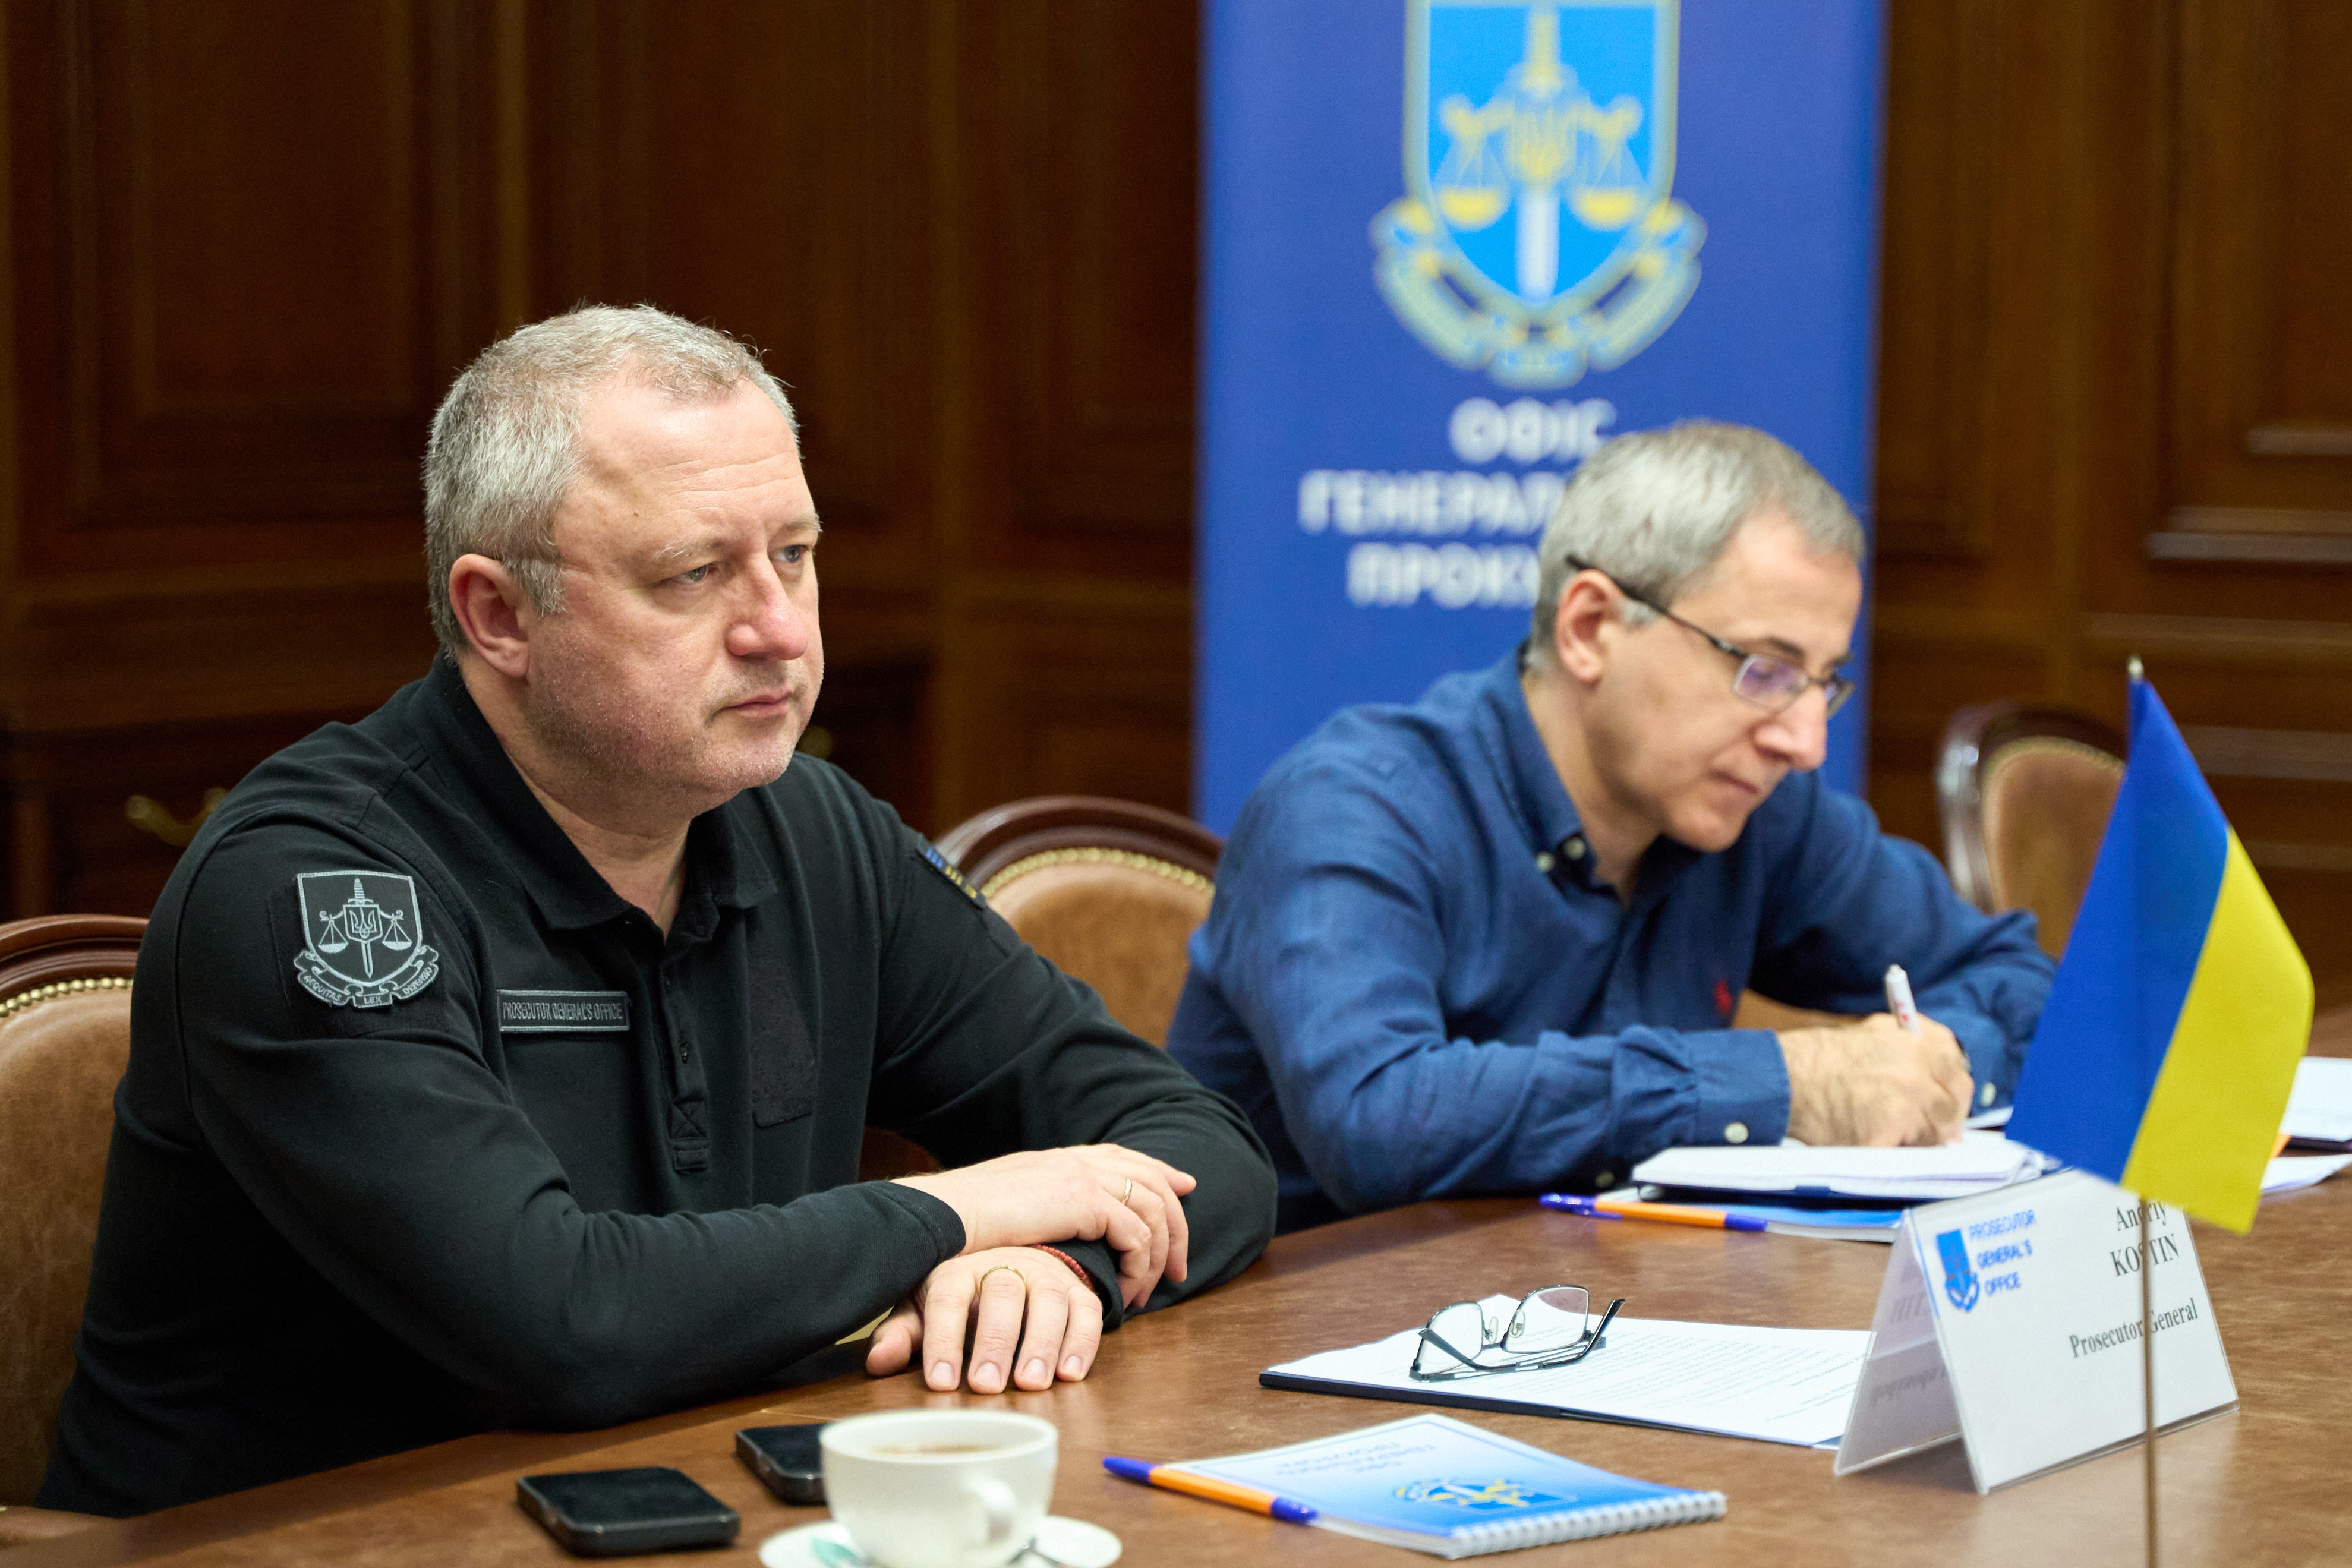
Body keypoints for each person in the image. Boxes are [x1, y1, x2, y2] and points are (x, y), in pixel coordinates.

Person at [39, 306, 1276, 1515]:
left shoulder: (811, 828)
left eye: (794, 554)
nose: (778, 629)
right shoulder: (318, 891)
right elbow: (562, 1322)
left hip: (698, 1505)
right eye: (694, 575)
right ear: (499, 615)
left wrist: (1055, 1265)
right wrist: (962, 1213)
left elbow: (1197, 1147)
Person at [1168, 421, 2055, 1233]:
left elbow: (2021, 983)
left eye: (1822, 683)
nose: (1805, 742)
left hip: (1632, 1310)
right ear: (1590, 628)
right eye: (1763, 670)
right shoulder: (1353, 806)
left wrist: (1930, 1064)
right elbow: (1379, 1119)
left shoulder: (1760, 811)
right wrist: (1787, 1085)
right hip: (1325, 1326)